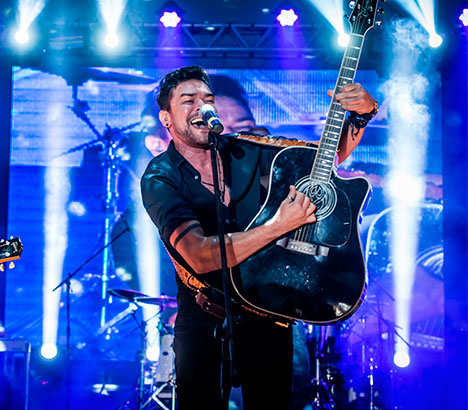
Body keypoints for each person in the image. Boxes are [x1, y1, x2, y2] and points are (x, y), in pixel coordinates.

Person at [140, 65, 376, 409]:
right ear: (166, 118)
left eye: (207, 99)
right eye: (187, 100)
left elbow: (325, 160)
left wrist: (362, 115)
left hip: (268, 311)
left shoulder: (245, 149)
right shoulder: (160, 177)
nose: (201, 106)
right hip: (205, 321)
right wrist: (278, 226)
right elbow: (200, 255)